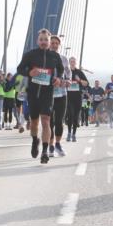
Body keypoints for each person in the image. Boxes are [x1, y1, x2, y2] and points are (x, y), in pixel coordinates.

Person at [16, 28, 64, 164]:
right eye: (41, 40)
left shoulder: (54, 56)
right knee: (34, 122)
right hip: (33, 93)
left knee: (46, 121)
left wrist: (59, 79)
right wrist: (29, 72)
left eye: (46, 40)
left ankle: (44, 151)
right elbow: (20, 69)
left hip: (47, 93)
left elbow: (60, 70)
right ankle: (34, 140)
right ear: (38, 41)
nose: (43, 42)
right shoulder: (30, 55)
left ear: (49, 42)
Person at [48, 35, 70, 156]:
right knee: (49, 122)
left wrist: (68, 81)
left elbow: (68, 73)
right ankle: (50, 146)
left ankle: (57, 144)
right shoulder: (45, 57)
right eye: (53, 43)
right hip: (48, 95)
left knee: (59, 121)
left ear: (59, 45)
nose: (54, 45)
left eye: (57, 43)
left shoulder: (63, 58)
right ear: (49, 44)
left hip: (62, 94)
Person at [64, 56, 88, 142]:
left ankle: (74, 134)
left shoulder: (79, 72)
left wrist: (79, 80)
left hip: (78, 97)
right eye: (71, 61)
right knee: (70, 115)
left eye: (74, 61)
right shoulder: (66, 72)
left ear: (76, 62)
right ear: (69, 63)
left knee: (75, 116)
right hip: (69, 97)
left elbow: (86, 84)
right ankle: (69, 133)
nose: (72, 63)